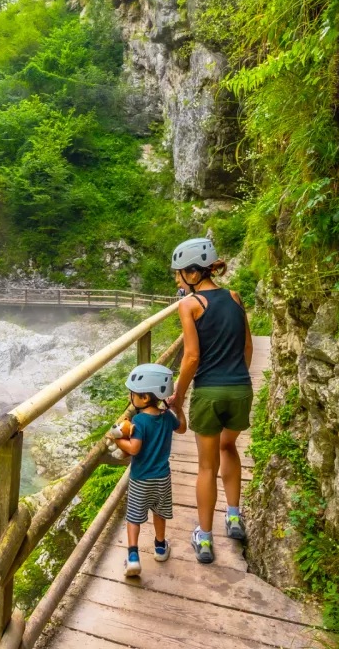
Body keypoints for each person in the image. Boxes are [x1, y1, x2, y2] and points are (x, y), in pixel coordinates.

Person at [167, 237, 253, 564]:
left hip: (209, 392)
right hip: (241, 388)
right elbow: (247, 349)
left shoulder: (189, 305)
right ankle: (233, 516)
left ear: (193, 272)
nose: (177, 279)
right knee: (228, 448)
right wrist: (235, 378)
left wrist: (178, 396)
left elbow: (190, 358)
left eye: (179, 273)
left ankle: (204, 538)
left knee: (206, 466)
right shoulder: (234, 296)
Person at [108, 363, 187, 577]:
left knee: (134, 517)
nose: (130, 396)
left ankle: (133, 556)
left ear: (144, 398)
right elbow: (182, 428)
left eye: (132, 393)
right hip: (162, 478)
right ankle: (160, 547)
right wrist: (177, 408)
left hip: (140, 478)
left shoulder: (139, 421)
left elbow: (134, 448)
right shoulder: (167, 416)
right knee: (159, 513)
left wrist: (117, 441)